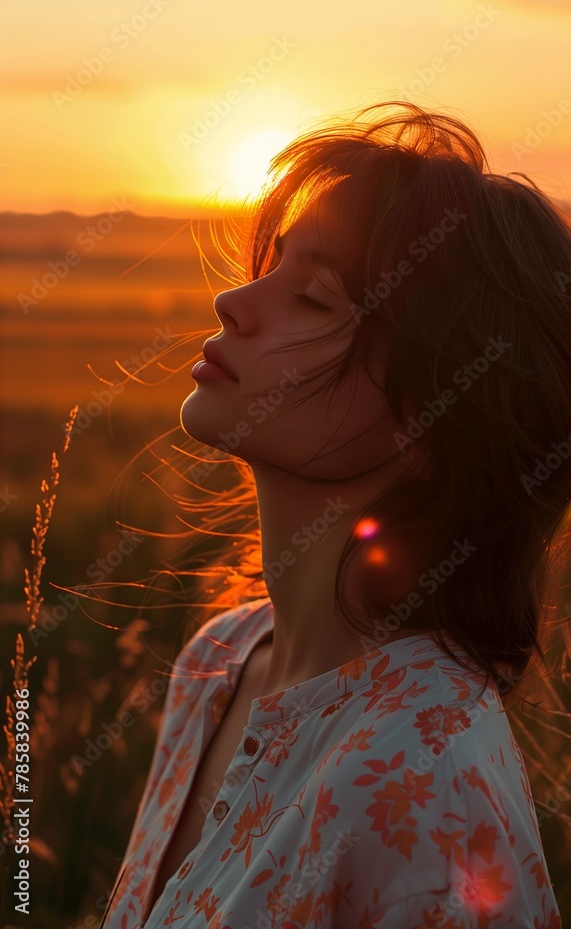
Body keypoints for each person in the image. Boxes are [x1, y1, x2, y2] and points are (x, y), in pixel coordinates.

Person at [100, 101, 569, 928]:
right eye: (271, 263)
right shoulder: (220, 661)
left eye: (314, 300)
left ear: (437, 415)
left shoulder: (429, 793)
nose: (233, 300)